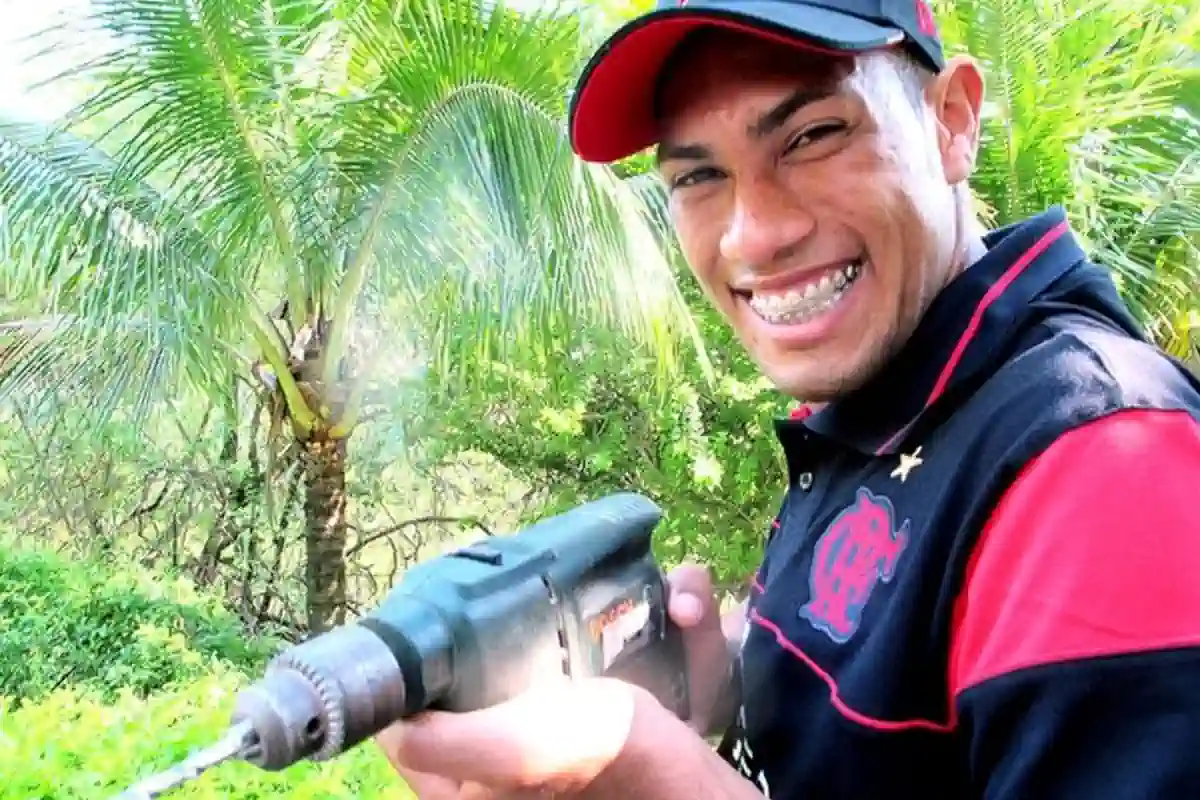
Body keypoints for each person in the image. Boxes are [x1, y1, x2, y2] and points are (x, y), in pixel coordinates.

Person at [376, 1, 1200, 797]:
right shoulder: (895, 402)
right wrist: (737, 693)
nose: (753, 234)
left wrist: (664, 783)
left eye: (812, 136)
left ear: (952, 121)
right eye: (699, 175)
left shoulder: (1106, 465)